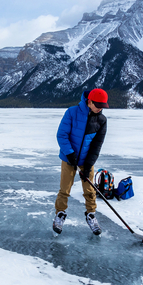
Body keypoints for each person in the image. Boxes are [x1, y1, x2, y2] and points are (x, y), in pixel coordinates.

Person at [52, 88, 109, 236]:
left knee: (90, 190)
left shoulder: (101, 120)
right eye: (98, 105)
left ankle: (91, 215)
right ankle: (60, 214)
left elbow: (97, 145)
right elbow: (62, 135)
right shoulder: (72, 112)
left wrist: (88, 165)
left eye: (103, 105)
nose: (101, 108)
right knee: (65, 189)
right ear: (89, 102)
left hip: (86, 160)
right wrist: (70, 154)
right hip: (69, 158)